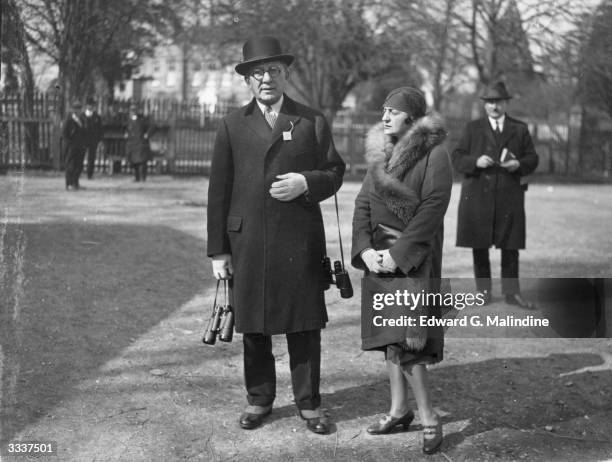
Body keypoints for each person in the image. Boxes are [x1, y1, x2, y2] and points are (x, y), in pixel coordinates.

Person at [207, 36, 345, 434]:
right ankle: (259, 399)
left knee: (303, 323)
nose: (266, 79)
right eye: (257, 73)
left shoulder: (312, 121)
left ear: (286, 75)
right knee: (254, 324)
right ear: (248, 81)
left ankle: (309, 403)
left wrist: (307, 181)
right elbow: (219, 191)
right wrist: (219, 251)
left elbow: (335, 171)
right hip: (246, 242)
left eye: (273, 71)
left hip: (298, 241)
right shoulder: (232, 124)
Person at [351, 87, 452, 454]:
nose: (384, 116)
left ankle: (429, 417)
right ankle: (398, 410)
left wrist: (398, 253)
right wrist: (365, 250)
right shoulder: (381, 153)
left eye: (392, 111)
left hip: (413, 260)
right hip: (379, 259)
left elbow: (433, 208)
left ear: (412, 117)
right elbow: (363, 204)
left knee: (410, 342)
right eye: (383, 109)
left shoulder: (434, 154)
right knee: (388, 338)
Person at [452, 81, 539, 308]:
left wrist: (518, 163)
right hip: (478, 196)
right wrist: (475, 161)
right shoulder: (472, 128)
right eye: (489, 103)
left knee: (510, 246)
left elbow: (533, 158)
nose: (494, 107)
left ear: (505, 103)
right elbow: (457, 157)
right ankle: (483, 292)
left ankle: (512, 293)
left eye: (498, 102)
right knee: (479, 246)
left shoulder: (519, 128)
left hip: (509, 196)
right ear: (484, 105)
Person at [62, 100, 87, 190]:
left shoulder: (82, 120)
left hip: (80, 147)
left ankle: (76, 183)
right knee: (70, 165)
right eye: (76, 109)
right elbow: (64, 134)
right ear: (73, 110)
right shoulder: (68, 120)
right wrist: (70, 144)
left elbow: (85, 132)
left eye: (79, 109)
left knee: (79, 165)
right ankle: (69, 184)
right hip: (71, 147)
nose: (78, 111)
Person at [125, 102, 153, 182]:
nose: (133, 111)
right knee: (134, 162)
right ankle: (137, 177)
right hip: (132, 143)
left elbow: (152, 126)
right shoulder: (128, 120)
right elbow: (126, 128)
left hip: (141, 143)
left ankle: (143, 177)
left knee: (142, 161)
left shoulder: (142, 119)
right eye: (131, 110)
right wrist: (126, 133)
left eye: (134, 110)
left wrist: (147, 134)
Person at [82, 97, 103, 179]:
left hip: (93, 140)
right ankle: (78, 173)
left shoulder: (97, 116)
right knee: (81, 156)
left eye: (92, 105)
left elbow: (100, 129)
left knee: (92, 158)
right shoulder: (82, 116)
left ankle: (89, 174)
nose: (90, 106)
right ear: (86, 106)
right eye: (89, 105)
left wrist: (100, 140)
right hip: (83, 140)